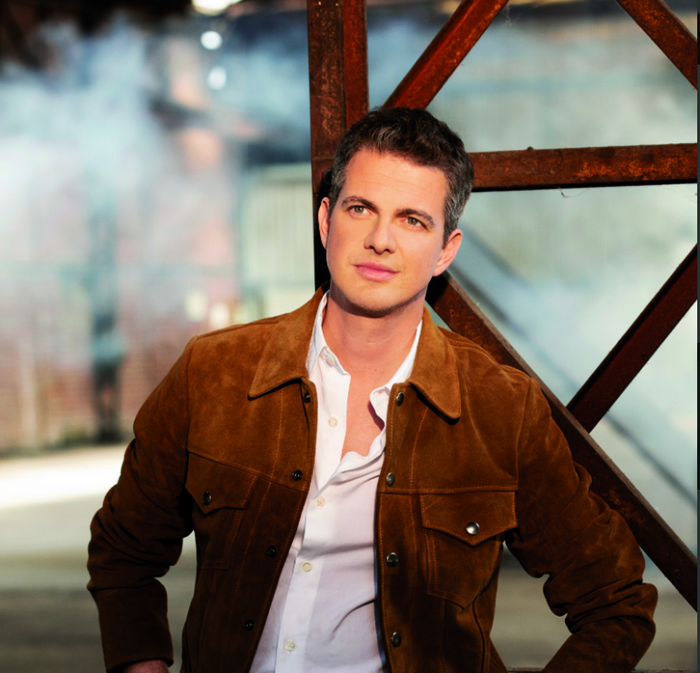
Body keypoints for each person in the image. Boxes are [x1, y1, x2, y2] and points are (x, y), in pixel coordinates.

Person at [88, 107, 657, 673]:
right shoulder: (214, 373)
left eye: (413, 220)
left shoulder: (501, 408)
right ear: (326, 222)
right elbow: (123, 552)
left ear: (446, 250)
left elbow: (616, 601)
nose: (381, 240)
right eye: (361, 209)